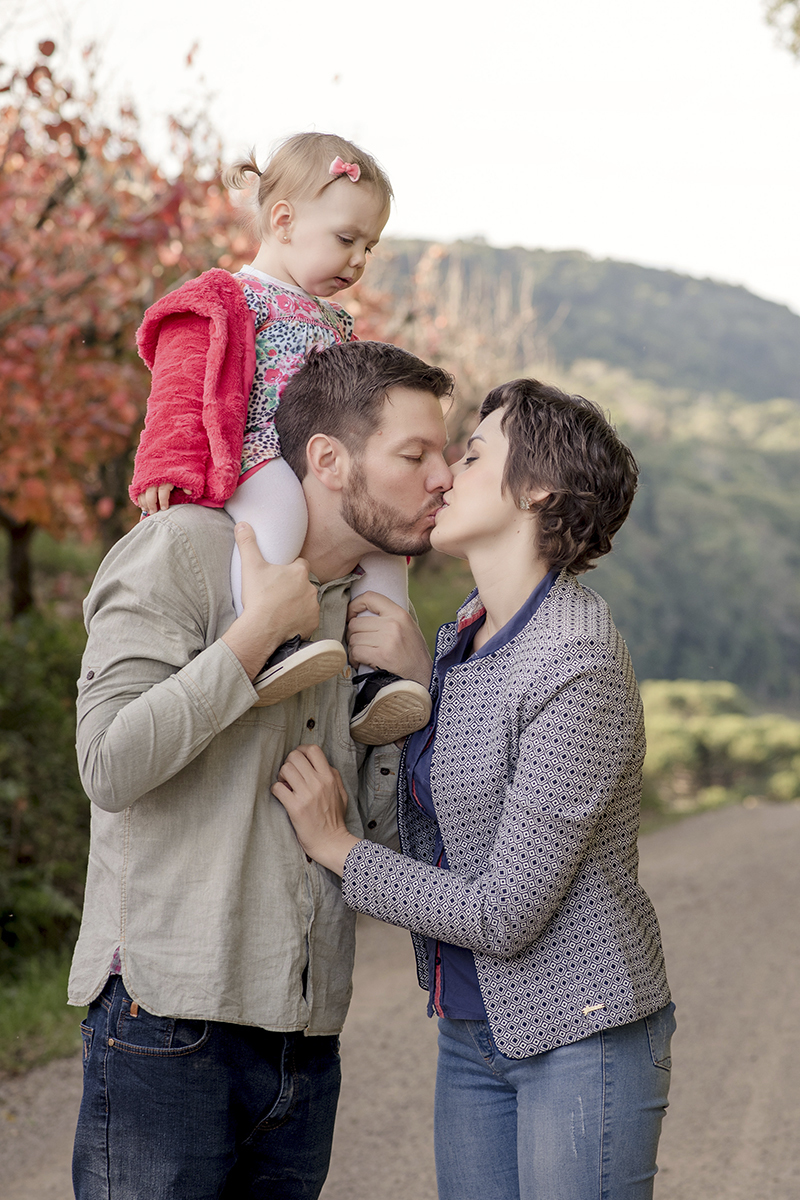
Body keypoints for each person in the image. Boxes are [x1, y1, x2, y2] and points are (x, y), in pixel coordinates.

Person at [272, 378, 675, 1200]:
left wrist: (336, 848)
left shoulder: (577, 662)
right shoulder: (465, 632)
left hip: (581, 1033)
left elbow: (503, 912)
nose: (447, 473)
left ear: (537, 490)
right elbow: (454, 799)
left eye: (474, 453)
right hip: (473, 1031)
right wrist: (424, 683)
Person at [69, 340, 453, 1200]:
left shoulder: (375, 616)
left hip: (306, 1042)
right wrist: (252, 640)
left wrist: (413, 697)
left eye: (446, 455)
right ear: (327, 459)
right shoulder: (181, 552)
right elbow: (107, 762)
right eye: (414, 455)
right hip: (170, 1026)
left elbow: (389, 846)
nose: (443, 478)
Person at [129, 130, 431, 744]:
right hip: (259, 450)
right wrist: (166, 463)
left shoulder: (335, 320)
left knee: (381, 545)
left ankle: (372, 679)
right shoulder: (231, 297)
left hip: (326, 465)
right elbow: (181, 383)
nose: (356, 261)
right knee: (277, 517)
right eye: (346, 239)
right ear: (284, 221)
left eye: (368, 247)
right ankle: (270, 640)